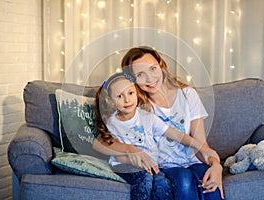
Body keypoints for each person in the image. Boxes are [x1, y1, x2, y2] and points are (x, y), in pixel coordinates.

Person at [119, 46, 224, 200]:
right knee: (184, 180)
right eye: (140, 74)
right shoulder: (138, 108)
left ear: (161, 66)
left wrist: (216, 166)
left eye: (153, 69)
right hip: (165, 167)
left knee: (211, 187)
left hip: (194, 161)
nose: (150, 79)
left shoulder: (188, 95)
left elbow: (201, 144)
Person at [94, 72, 218, 200]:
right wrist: (133, 159)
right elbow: (115, 152)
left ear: (136, 92)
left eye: (130, 93)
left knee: (162, 183)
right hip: (126, 166)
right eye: (120, 96)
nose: (127, 100)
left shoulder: (148, 117)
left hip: (152, 167)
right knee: (145, 180)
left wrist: (201, 146)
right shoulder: (113, 123)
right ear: (111, 101)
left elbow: (176, 134)